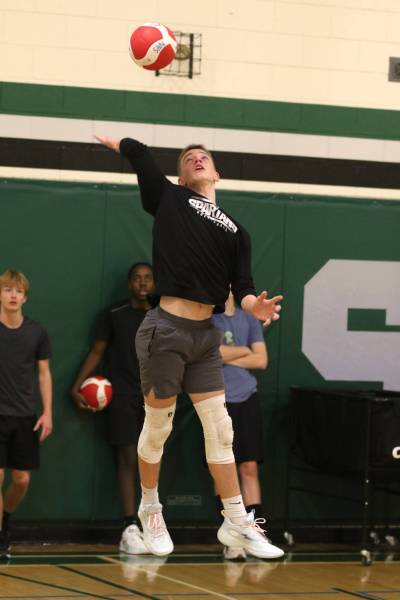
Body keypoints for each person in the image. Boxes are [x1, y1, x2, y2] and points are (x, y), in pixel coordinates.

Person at [96, 134, 284, 560]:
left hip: (205, 336)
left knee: (221, 429)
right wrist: (121, 143)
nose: (197, 159)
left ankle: (236, 521)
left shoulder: (238, 231)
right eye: (188, 159)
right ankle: (151, 510)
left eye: (204, 157)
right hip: (167, 328)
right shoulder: (170, 199)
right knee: (158, 427)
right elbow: (142, 156)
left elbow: (245, 289)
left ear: (216, 172)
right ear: (181, 177)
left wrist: (256, 308)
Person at [71, 263, 154, 554]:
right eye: (137, 278)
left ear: (155, 283)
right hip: (122, 396)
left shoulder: (164, 316)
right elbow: (97, 351)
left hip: (156, 398)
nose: (142, 283)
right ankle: (129, 527)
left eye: (148, 278)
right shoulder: (114, 314)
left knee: (151, 462)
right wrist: (77, 385)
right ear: (129, 283)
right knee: (127, 458)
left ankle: (152, 525)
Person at [0, 270, 53, 560]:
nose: (12, 295)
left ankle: (5, 520)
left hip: (24, 416)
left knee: (21, 480)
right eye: (7, 289)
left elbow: (44, 374)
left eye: (17, 291)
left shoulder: (36, 332)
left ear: (25, 297)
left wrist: (47, 413)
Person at [213, 291, 269, 560]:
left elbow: (261, 359)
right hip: (216, 399)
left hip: (247, 397)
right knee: (223, 467)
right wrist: (244, 350)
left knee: (249, 466)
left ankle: (256, 531)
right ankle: (232, 536)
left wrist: (229, 356)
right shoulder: (207, 317)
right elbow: (211, 354)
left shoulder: (249, 318)